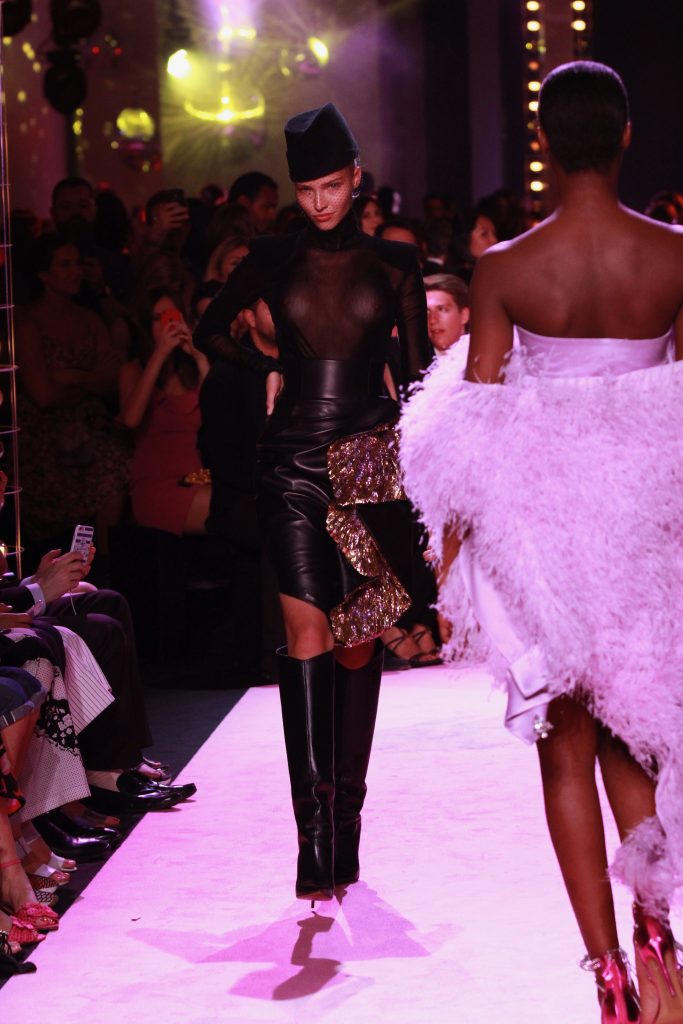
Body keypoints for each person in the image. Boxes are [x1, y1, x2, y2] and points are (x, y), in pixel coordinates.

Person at [402, 61, 683, 1023]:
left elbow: (472, 428)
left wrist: (451, 562)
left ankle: (607, 980)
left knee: (563, 753)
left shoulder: (505, 267)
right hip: (643, 525)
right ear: (625, 136)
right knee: (634, 739)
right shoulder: (673, 256)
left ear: (543, 145)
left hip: (546, 534)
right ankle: (657, 940)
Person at [195, 103, 431, 902]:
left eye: (331, 185)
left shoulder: (395, 263)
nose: (320, 202)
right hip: (291, 458)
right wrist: (271, 366)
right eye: (306, 189)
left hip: (368, 459)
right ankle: (314, 832)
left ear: (355, 179)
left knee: (357, 640)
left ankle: (348, 814)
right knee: (306, 633)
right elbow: (212, 329)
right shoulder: (269, 256)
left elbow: (421, 377)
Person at [120, 288, 210, 536]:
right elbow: (131, 419)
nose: (167, 325)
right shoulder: (133, 370)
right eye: (157, 318)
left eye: (172, 316)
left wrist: (200, 358)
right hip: (158, 485)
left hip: (200, 477)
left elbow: (222, 414)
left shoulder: (192, 371)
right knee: (231, 508)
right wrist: (160, 353)